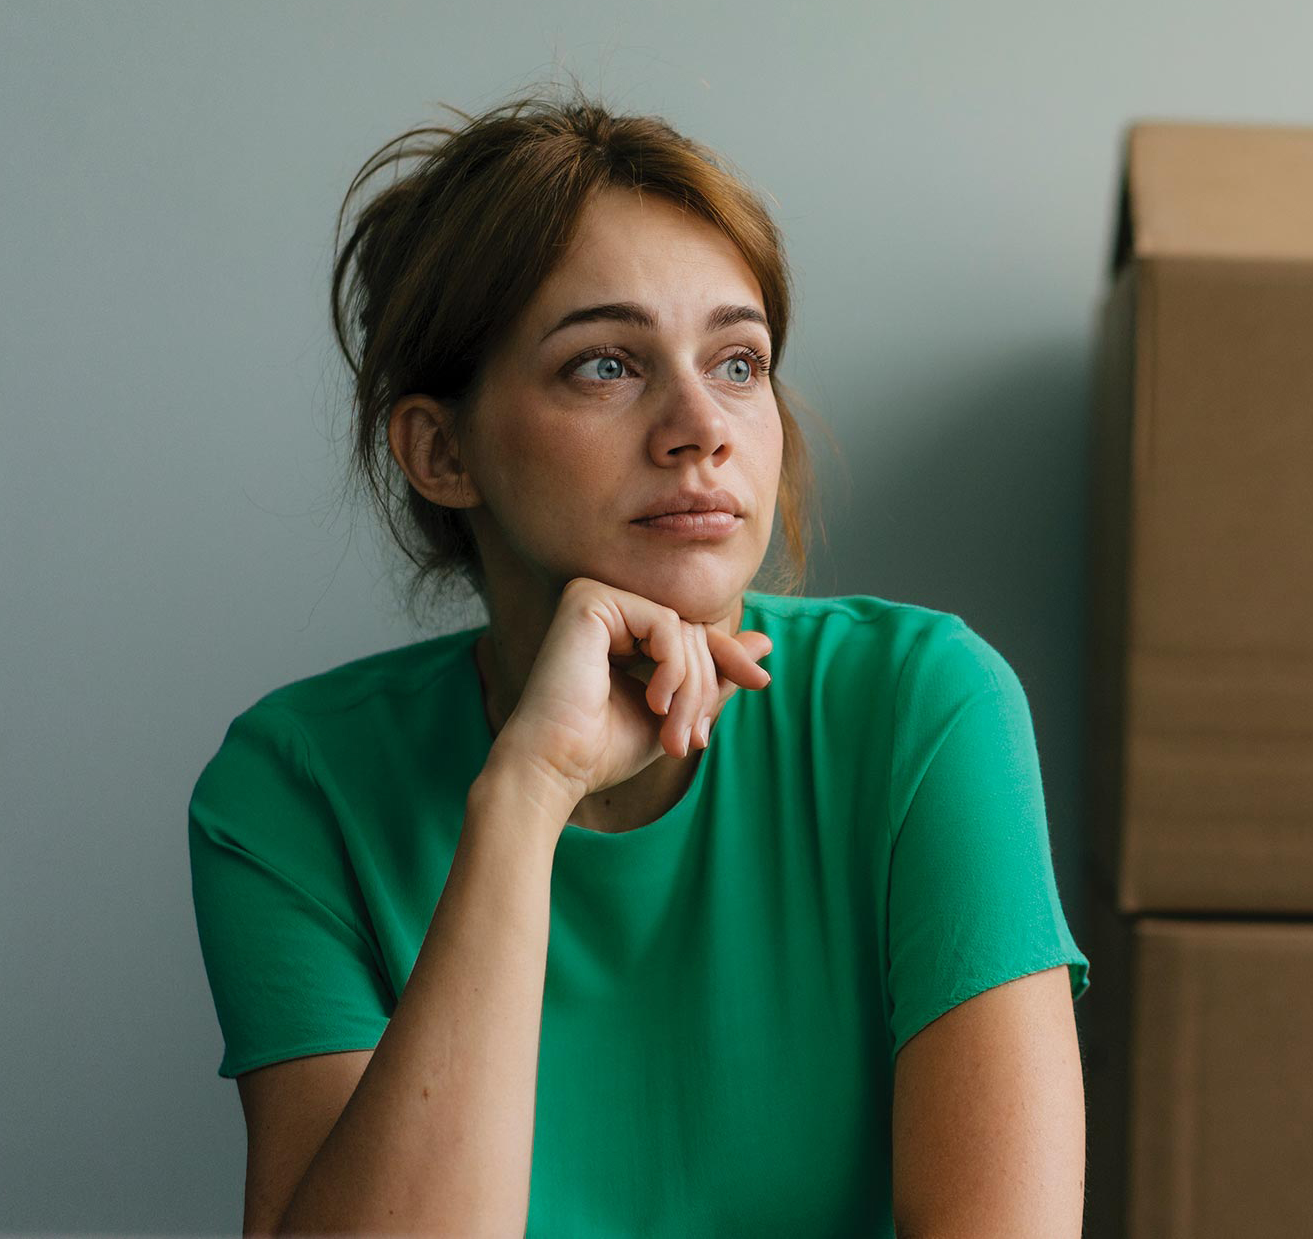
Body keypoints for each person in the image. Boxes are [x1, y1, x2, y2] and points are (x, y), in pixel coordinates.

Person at [184, 81, 1090, 1236]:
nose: (701, 424)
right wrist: (525, 799)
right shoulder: (292, 789)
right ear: (439, 448)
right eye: (605, 364)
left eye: (739, 362)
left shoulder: (923, 708)